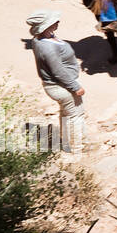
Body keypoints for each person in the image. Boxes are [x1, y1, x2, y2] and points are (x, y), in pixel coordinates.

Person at [26, 10, 86, 153]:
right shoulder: (47, 47)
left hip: (56, 85)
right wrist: (75, 86)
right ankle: (76, 148)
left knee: (66, 114)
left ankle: (66, 143)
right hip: (61, 86)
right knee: (75, 115)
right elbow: (58, 71)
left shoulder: (40, 39)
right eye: (54, 21)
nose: (58, 22)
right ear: (45, 26)